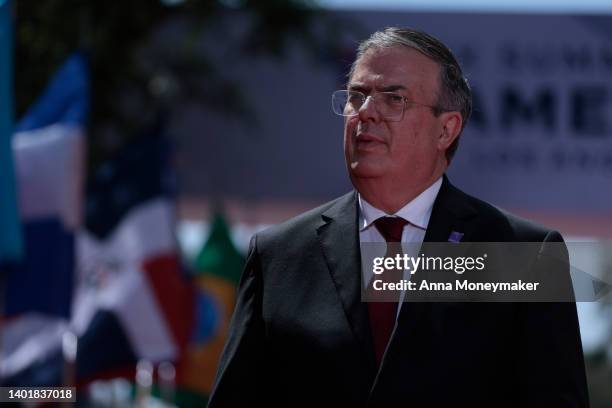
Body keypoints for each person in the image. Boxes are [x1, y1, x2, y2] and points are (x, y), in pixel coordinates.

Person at [208, 27, 589, 407]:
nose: (366, 113)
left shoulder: (523, 256)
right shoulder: (280, 256)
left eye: (394, 98)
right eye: (357, 96)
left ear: (446, 129)